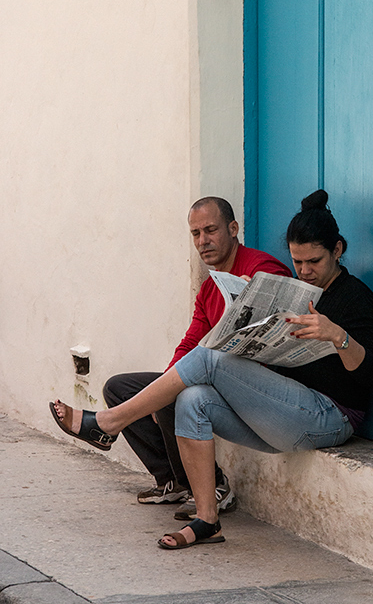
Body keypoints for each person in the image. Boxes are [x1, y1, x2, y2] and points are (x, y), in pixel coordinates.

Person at [50, 190, 373, 549]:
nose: (304, 272)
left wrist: (338, 336)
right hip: (283, 415)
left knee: (209, 357)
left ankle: (108, 423)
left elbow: (368, 377)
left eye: (314, 262)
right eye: (297, 262)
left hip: (329, 416)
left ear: (337, 250)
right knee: (192, 398)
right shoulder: (298, 290)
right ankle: (208, 519)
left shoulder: (355, 296)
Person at [97, 197, 292, 519]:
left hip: (254, 387)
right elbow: (190, 342)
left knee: (180, 394)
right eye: (196, 233)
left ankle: (214, 487)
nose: (203, 241)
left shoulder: (262, 269)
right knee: (121, 388)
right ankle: (172, 480)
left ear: (233, 229)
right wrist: (161, 387)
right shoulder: (208, 288)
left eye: (211, 230)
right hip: (213, 376)